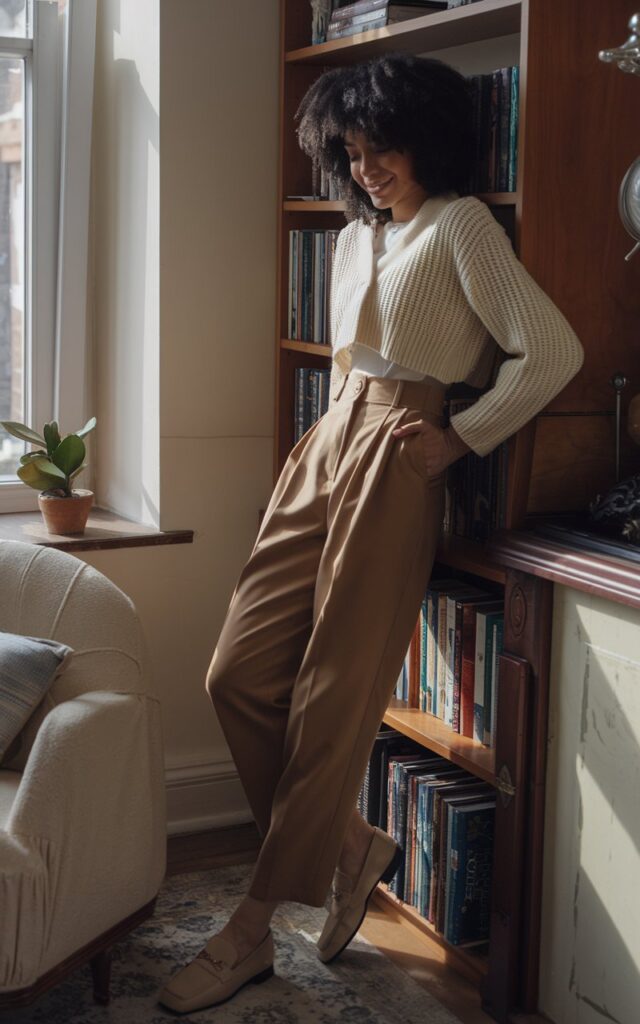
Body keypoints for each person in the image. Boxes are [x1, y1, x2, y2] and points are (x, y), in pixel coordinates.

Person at [158, 52, 584, 1014]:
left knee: (332, 697)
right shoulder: (356, 240)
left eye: (380, 146)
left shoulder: (464, 225)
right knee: (236, 672)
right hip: (327, 438)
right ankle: (350, 845)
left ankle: (249, 932)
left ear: (425, 135)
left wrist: (462, 438)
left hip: (399, 450)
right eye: (349, 152)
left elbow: (552, 348)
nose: (365, 167)